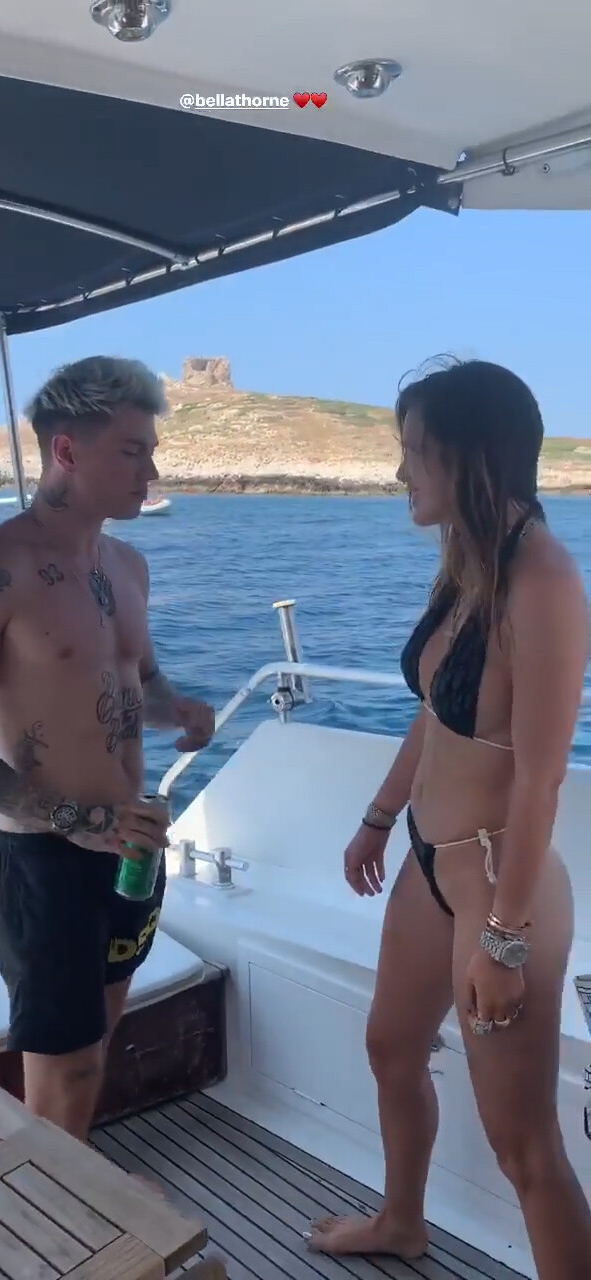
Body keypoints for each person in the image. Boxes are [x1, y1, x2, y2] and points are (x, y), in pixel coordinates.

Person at [307, 359, 591, 1277]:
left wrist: (504, 943)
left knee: (524, 1146)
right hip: (429, 862)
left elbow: (540, 782)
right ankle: (402, 1222)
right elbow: (438, 709)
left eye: (414, 451)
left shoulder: (542, 581)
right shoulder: (468, 563)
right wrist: (380, 816)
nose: (400, 473)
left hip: (501, 888)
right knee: (391, 1048)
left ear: (474, 457)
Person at [0, 355, 215, 1142]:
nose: (152, 472)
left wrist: (177, 709)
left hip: (131, 845)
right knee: (62, 1076)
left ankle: (76, 1193)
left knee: (98, 1045)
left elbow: (139, 679)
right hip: (45, 862)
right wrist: (78, 819)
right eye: (132, 451)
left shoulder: (128, 565)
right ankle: (56, 1213)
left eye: (151, 451)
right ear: (67, 452)